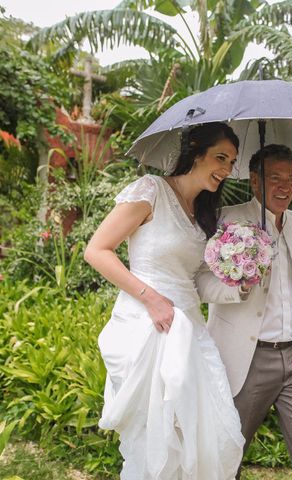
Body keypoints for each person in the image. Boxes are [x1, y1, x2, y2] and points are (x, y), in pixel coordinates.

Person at [84, 122, 245, 480]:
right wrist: (152, 299)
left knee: (212, 432)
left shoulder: (203, 214)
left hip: (192, 330)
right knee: (156, 436)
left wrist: (241, 278)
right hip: (149, 325)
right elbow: (96, 250)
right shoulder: (150, 191)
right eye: (221, 157)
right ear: (195, 152)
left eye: (232, 162)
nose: (227, 169)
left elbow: (197, 280)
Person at [196, 144, 292, 480]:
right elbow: (200, 284)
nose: (285, 187)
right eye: (275, 178)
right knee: (226, 452)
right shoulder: (227, 220)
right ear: (254, 181)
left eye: (291, 179)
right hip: (246, 358)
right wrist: (241, 284)